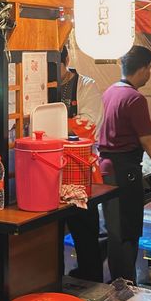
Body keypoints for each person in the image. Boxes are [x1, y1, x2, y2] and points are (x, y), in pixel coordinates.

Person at [98, 45, 151, 282]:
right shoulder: (135, 98)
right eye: (149, 67)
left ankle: (119, 283)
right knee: (126, 231)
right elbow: (148, 140)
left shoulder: (110, 91)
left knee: (115, 228)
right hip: (124, 170)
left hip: (106, 168)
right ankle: (124, 287)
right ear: (143, 69)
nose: (150, 73)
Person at [60, 45, 105, 282]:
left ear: (66, 59)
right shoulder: (37, 84)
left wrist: (50, 123)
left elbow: (89, 124)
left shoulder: (85, 85)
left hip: (78, 170)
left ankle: (92, 280)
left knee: (85, 231)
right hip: (49, 172)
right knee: (50, 234)